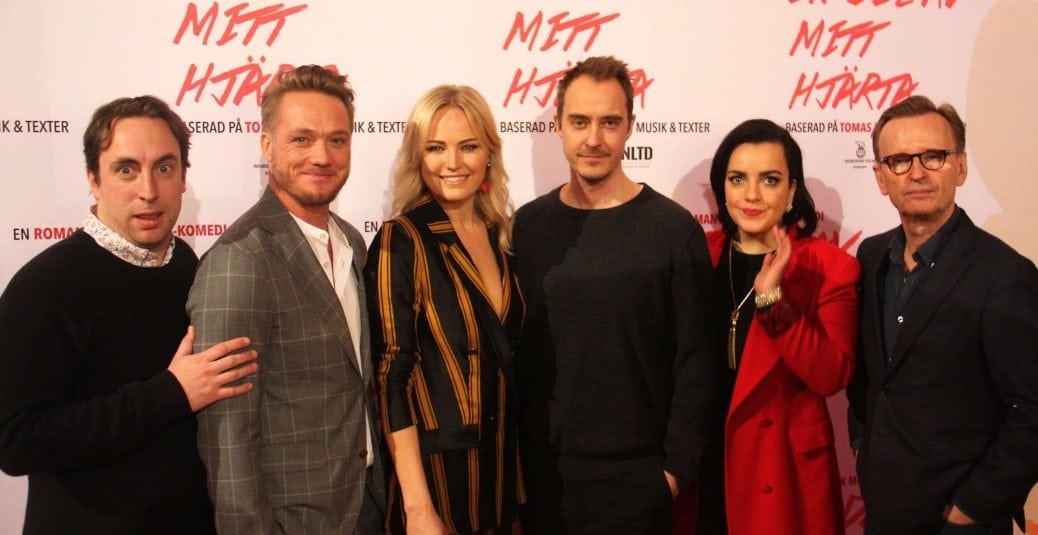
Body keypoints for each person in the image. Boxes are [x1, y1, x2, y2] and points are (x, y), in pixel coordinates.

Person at [0, 95, 257, 533]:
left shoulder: (189, 267)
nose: (148, 191)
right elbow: (16, 441)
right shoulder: (44, 286)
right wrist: (170, 392)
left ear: (183, 178)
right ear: (93, 180)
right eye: (126, 169)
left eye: (164, 167)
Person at [513, 55, 716, 534]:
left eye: (609, 122)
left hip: (637, 484)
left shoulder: (673, 231)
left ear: (629, 127)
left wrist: (673, 473)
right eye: (579, 122)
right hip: (541, 480)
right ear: (558, 126)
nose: (593, 138)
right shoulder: (527, 227)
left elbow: (697, 361)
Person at [188, 65, 385, 533]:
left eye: (337, 140)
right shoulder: (241, 258)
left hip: (366, 504)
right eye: (302, 139)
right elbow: (227, 434)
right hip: (291, 521)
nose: (322, 156)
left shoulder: (353, 242)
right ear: (267, 145)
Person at [847, 95, 1038, 534]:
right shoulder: (871, 256)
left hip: (960, 522)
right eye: (899, 160)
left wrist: (973, 505)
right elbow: (870, 376)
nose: (917, 172)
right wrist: (861, 442)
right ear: (880, 177)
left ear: (961, 167)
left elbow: (1033, 408)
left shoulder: (1004, 274)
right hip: (883, 513)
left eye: (933, 156)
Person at [684, 119, 858, 534]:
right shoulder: (696, 257)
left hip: (781, 473)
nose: (752, 194)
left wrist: (772, 303)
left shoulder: (829, 266)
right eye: (738, 179)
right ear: (721, 188)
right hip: (704, 464)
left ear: (792, 190)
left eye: (770, 179)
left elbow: (831, 375)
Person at [366, 85, 524, 534]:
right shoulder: (402, 239)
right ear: (418, 157)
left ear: (489, 153)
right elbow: (391, 378)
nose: (452, 163)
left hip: (500, 478)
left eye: (468, 146)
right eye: (436, 148)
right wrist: (418, 508)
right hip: (437, 483)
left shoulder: (500, 235)